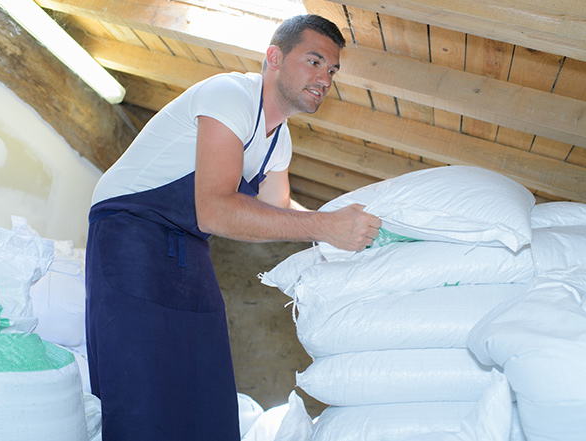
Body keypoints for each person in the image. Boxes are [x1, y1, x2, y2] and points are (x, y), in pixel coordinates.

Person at [85, 14, 381, 440]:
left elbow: (278, 207)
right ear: (274, 57)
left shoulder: (279, 140)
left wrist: (348, 228)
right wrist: (325, 225)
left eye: (331, 70)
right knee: (142, 385)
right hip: (131, 231)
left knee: (206, 383)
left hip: (189, 245)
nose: (324, 78)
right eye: (314, 61)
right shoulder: (230, 96)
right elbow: (217, 211)